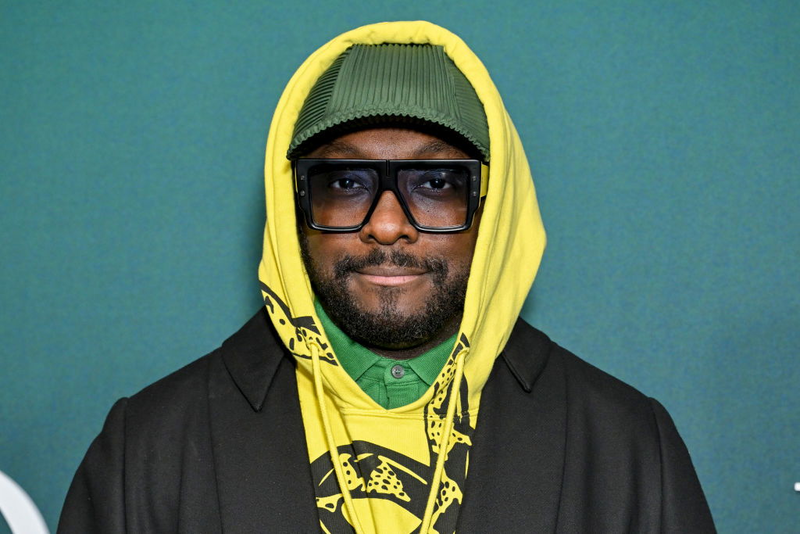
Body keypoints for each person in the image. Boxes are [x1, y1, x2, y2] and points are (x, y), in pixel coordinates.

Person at [58, 21, 715, 533]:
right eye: (346, 182)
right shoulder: (149, 451)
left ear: (494, 207)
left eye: (436, 182)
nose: (389, 225)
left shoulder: (626, 449)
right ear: (293, 207)